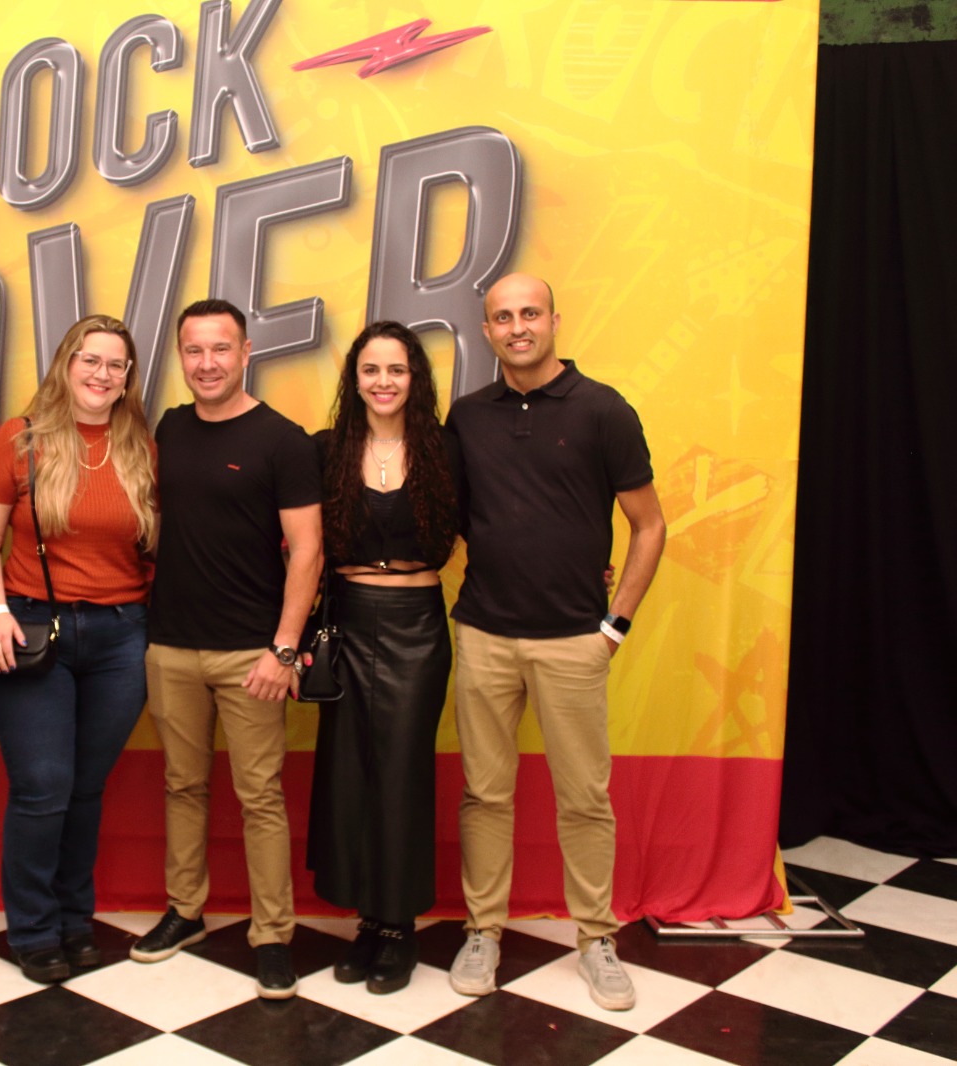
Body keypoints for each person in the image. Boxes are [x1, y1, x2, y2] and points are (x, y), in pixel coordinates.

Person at [444, 273, 666, 1011]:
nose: (518, 327)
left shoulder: (604, 409)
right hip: (484, 634)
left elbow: (649, 525)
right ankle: (483, 929)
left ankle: (596, 939)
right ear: (487, 331)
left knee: (584, 798)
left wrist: (614, 626)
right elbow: (455, 517)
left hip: (575, 640)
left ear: (554, 321)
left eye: (529, 313)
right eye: (503, 317)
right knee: (484, 793)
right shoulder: (467, 417)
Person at [131, 299, 322, 1000]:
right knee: (182, 786)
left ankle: (272, 936)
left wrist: (284, 649)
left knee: (259, 796)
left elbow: (308, 551)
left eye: (220, 349)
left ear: (246, 353)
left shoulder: (284, 441)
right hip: (171, 646)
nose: (207, 363)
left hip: (252, 656)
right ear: (181, 356)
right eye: (194, 350)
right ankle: (185, 911)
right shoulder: (170, 428)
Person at [0, 314, 157, 984]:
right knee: (43, 786)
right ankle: (34, 928)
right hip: (29, 630)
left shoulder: (142, 448)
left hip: (121, 637)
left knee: (85, 788)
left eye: (115, 364)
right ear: (65, 365)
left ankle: (76, 919)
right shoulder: (21, 440)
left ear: (128, 378)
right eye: (89, 360)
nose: (101, 374)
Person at [307, 322, 458, 995]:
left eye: (396, 369)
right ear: (355, 379)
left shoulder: (446, 452)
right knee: (350, 777)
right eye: (371, 370)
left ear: (414, 378)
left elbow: (503, 524)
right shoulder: (327, 450)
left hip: (417, 628)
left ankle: (399, 928)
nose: (384, 382)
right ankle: (367, 922)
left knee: (401, 774)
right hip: (347, 623)